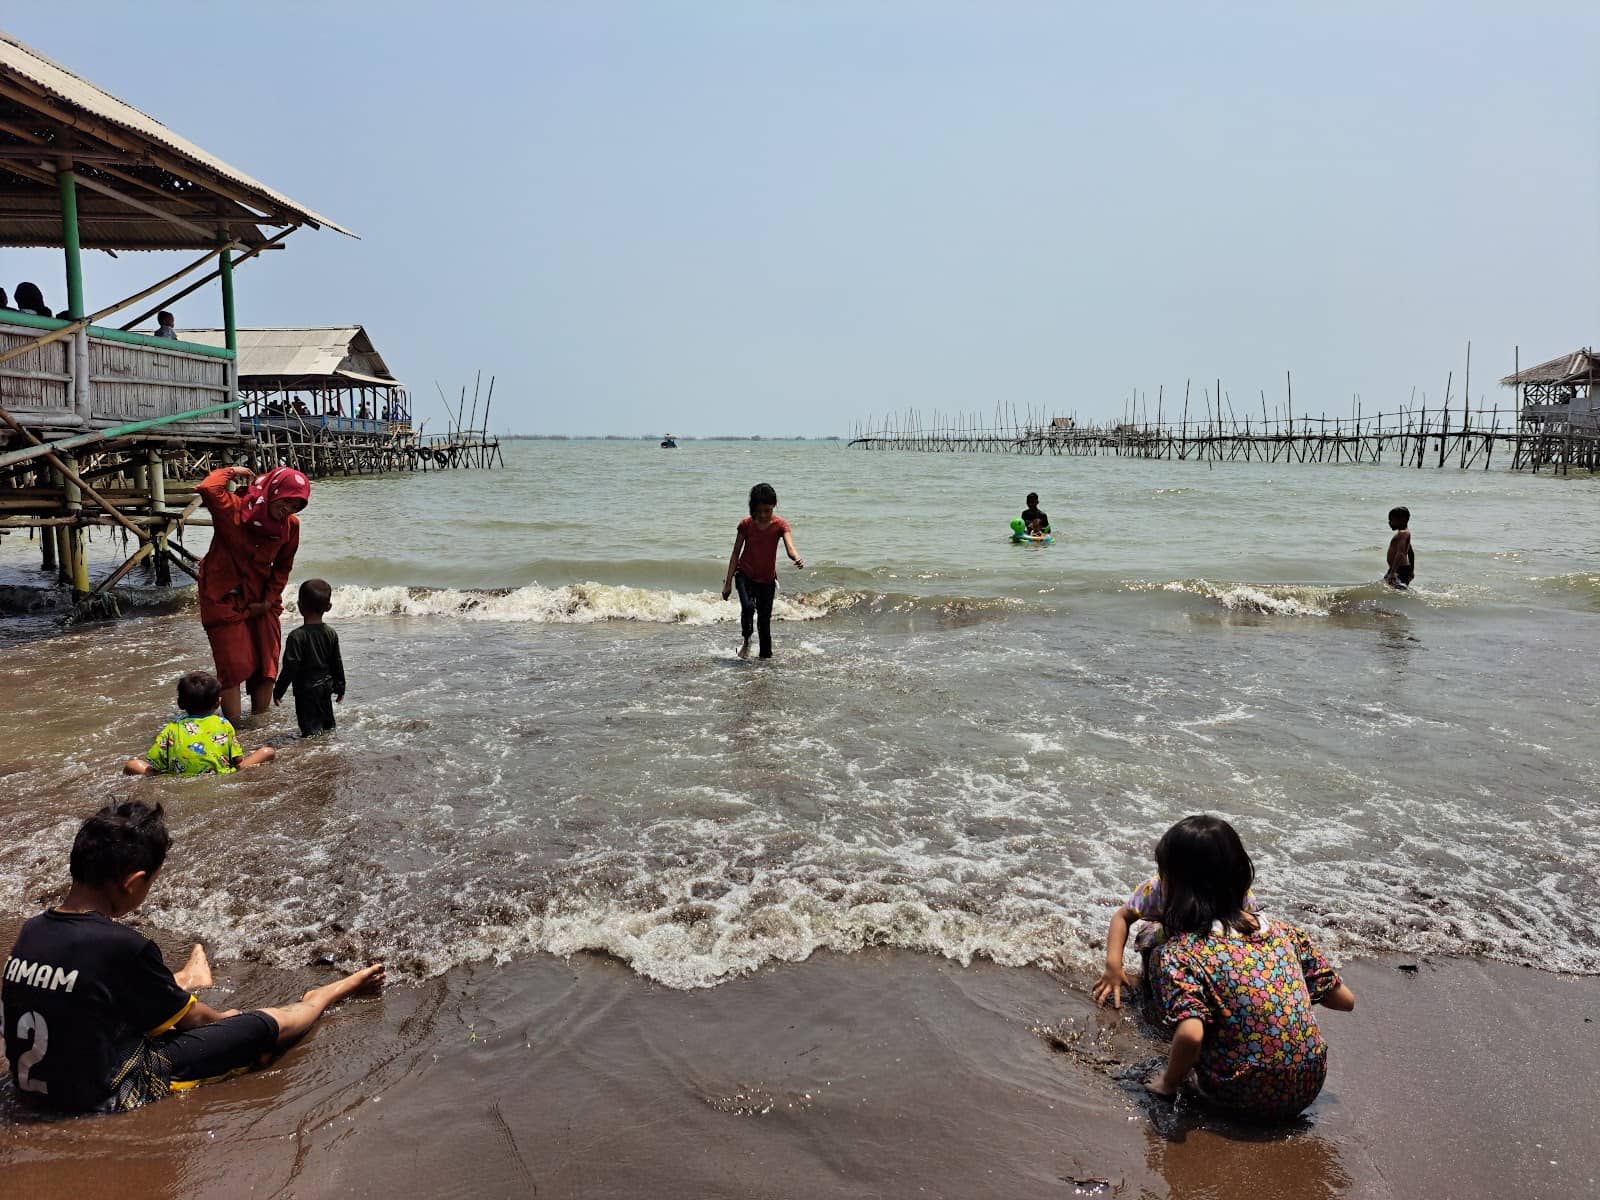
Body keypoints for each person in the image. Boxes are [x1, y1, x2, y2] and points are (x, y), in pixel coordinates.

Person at [1, 801, 384, 1114]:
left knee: (121, 993)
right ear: (134, 882)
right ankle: (327, 993)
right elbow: (198, 1024)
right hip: (106, 1094)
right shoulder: (124, 944)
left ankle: (183, 981)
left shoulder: (33, 929)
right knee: (259, 1025)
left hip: (34, 1088)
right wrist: (224, 1019)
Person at [1098, 815, 1355, 1121]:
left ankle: (1164, 1017)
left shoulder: (1178, 954)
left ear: (1172, 885)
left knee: (1155, 957)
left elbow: (1192, 1035)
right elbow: (1345, 1001)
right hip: (1309, 1085)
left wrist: (1168, 1083)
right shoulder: (1286, 932)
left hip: (1238, 1095)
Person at [196, 466, 309, 724]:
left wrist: (268, 600)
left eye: (296, 505)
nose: (289, 509)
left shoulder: (290, 526)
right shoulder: (234, 509)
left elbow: (283, 567)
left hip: (261, 598)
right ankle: (232, 730)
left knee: (266, 663)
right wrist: (232, 470)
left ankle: (259, 725)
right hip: (222, 595)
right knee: (233, 666)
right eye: (286, 501)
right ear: (273, 491)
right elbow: (208, 488)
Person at [122, 671, 275, 776]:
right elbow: (238, 760)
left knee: (133, 764)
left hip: (178, 777)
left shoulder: (171, 728)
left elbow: (157, 763)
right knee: (268, 751)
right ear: (218, 703)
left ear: (180, 703)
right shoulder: (223, 724)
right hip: (219, 775)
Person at [721, 482, 803, 659]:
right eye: (760, 511)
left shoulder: (780, 525)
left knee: (765, 624)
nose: (764, 515)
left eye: (768, 510)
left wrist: (796, 557)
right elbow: (735, 553)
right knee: (748, 608)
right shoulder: (746, 525)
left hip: (767, 580)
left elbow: (790, 547)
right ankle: (746, 642)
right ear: (753, 509)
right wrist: (727, 583)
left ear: (774, 506)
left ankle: (766, 663)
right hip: (745, 575)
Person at [274, 578, 346, 737]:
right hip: (326, 686)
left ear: (300, 606)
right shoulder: (331, 633)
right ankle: (329, 750)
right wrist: (340, 687)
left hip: (305, 690)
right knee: (328, 726)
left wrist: (279, 690)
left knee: (310, 731)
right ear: (328, 607)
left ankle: (315, 752)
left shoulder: (296, 637)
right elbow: (337, 662)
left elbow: (290, 668)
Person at [1384, 506, 1414, 590]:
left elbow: (1400, 553)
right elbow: (1410, 553)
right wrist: (1412, 570)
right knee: (1393, 590)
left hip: (1399, 570)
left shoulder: (1403, 533)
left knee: (1396, 592)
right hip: (1400, 569)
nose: (1389, 523)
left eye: (1392, 520)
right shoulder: (1404, 533)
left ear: (1403, 519)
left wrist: (1393, 572)